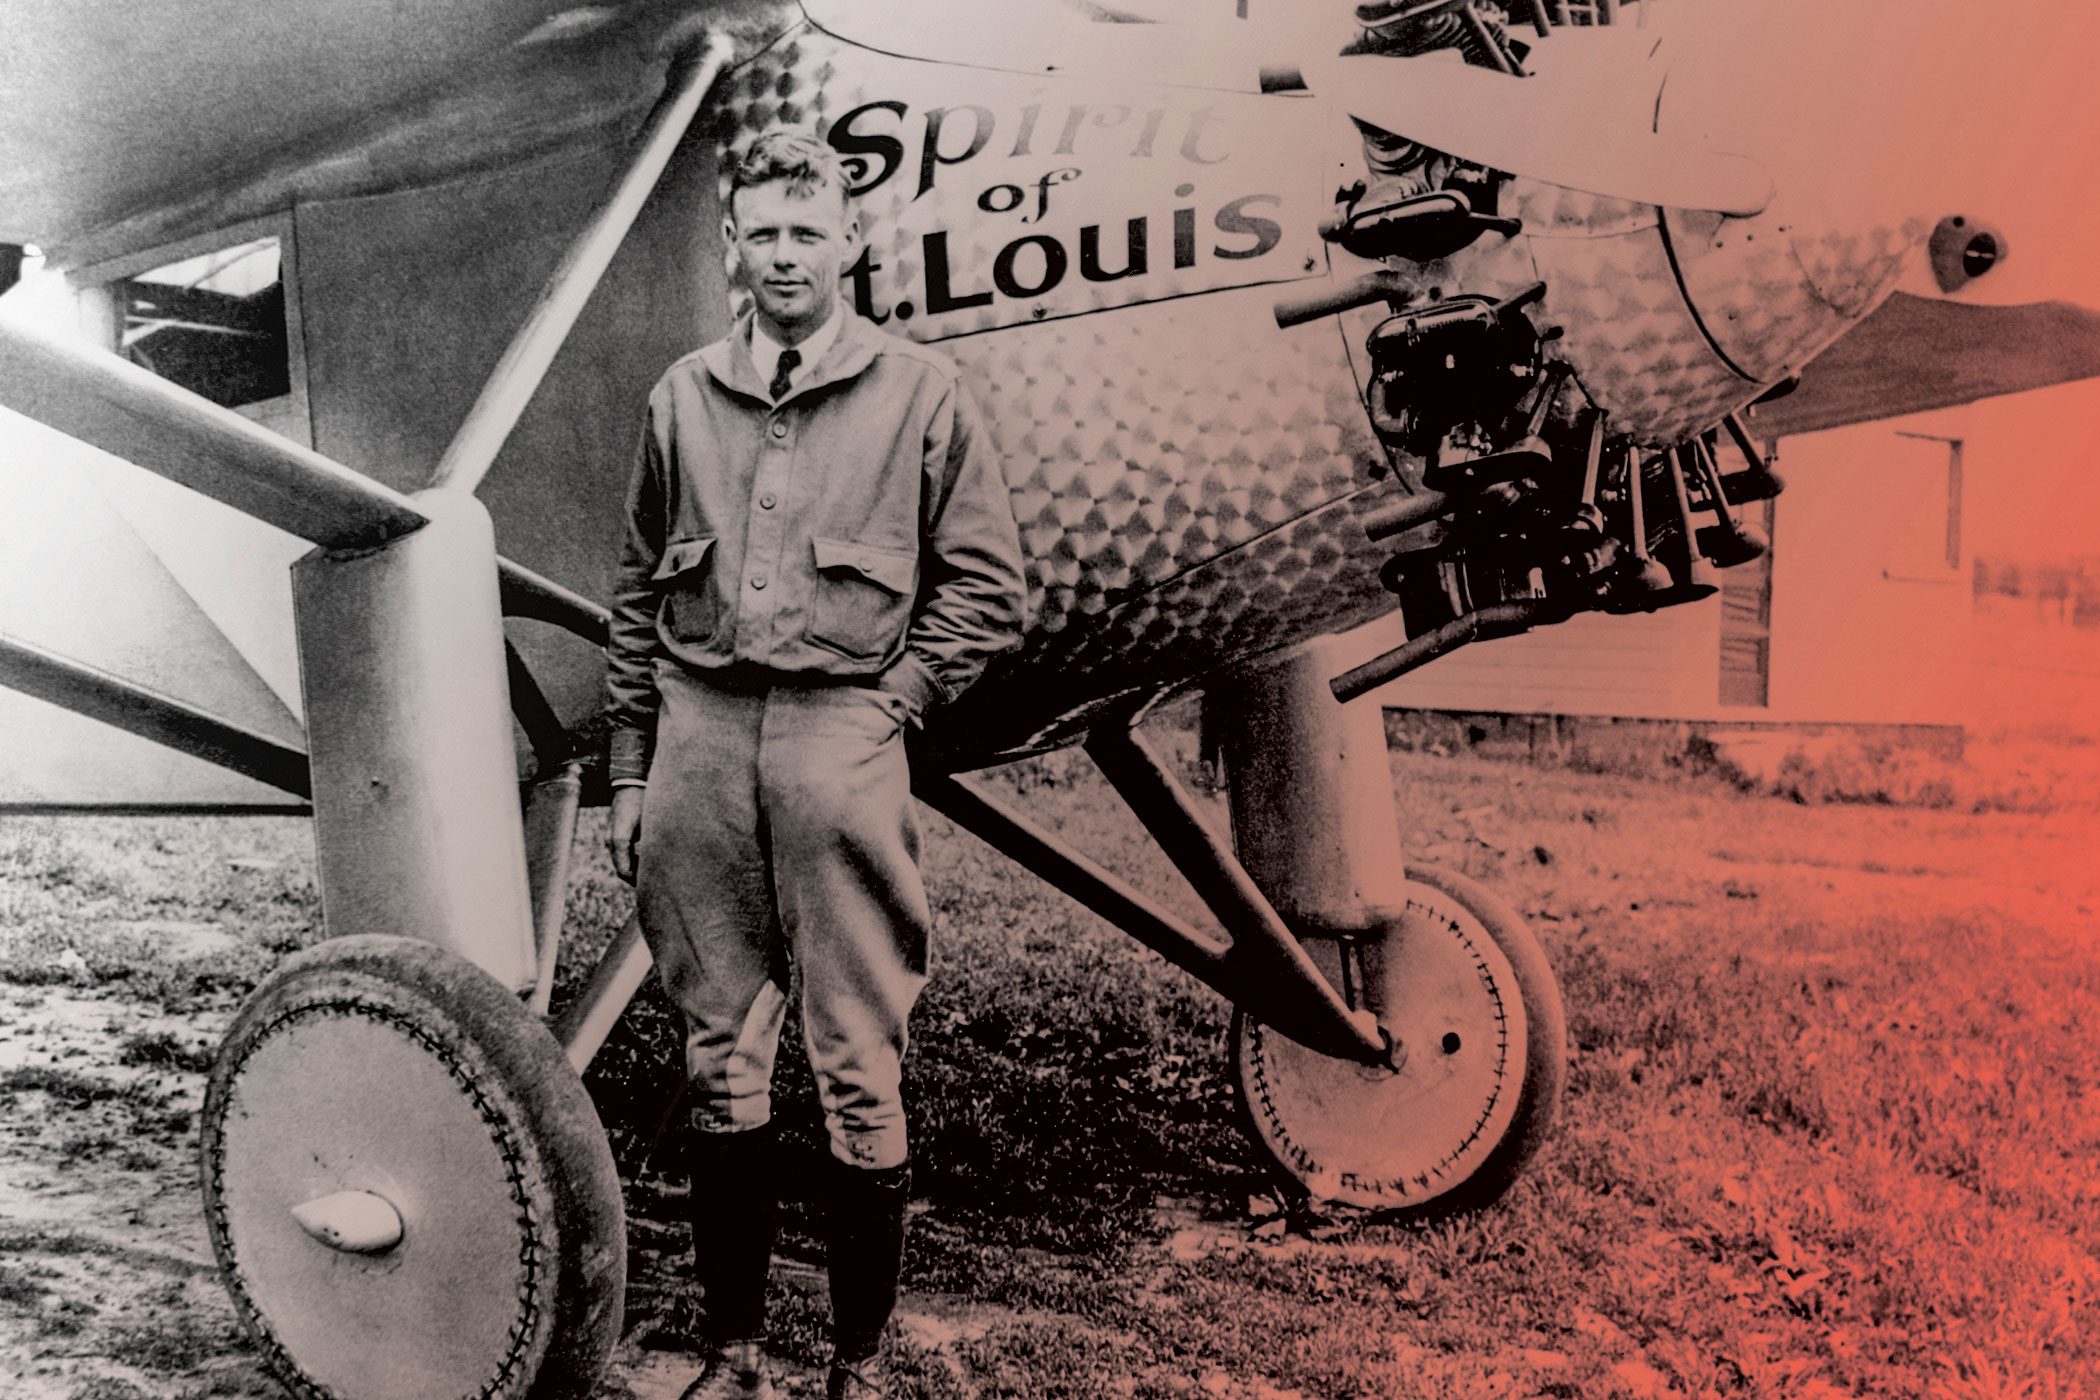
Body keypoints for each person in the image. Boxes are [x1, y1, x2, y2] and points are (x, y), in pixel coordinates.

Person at [602, 130, 1028, 1400]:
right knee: (717, 1049)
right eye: (763, 235)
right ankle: (734, 1352)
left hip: (844, 735)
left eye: (808, 232)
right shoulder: (682, 397)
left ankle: (856, 1359)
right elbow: (633, 592)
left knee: (855, 1054)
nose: (785, 256)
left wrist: (900, 693)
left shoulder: (920, 395)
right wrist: (631, 771)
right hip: (698, 739)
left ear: (851, 243)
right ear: (733, 248)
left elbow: (989, 587)